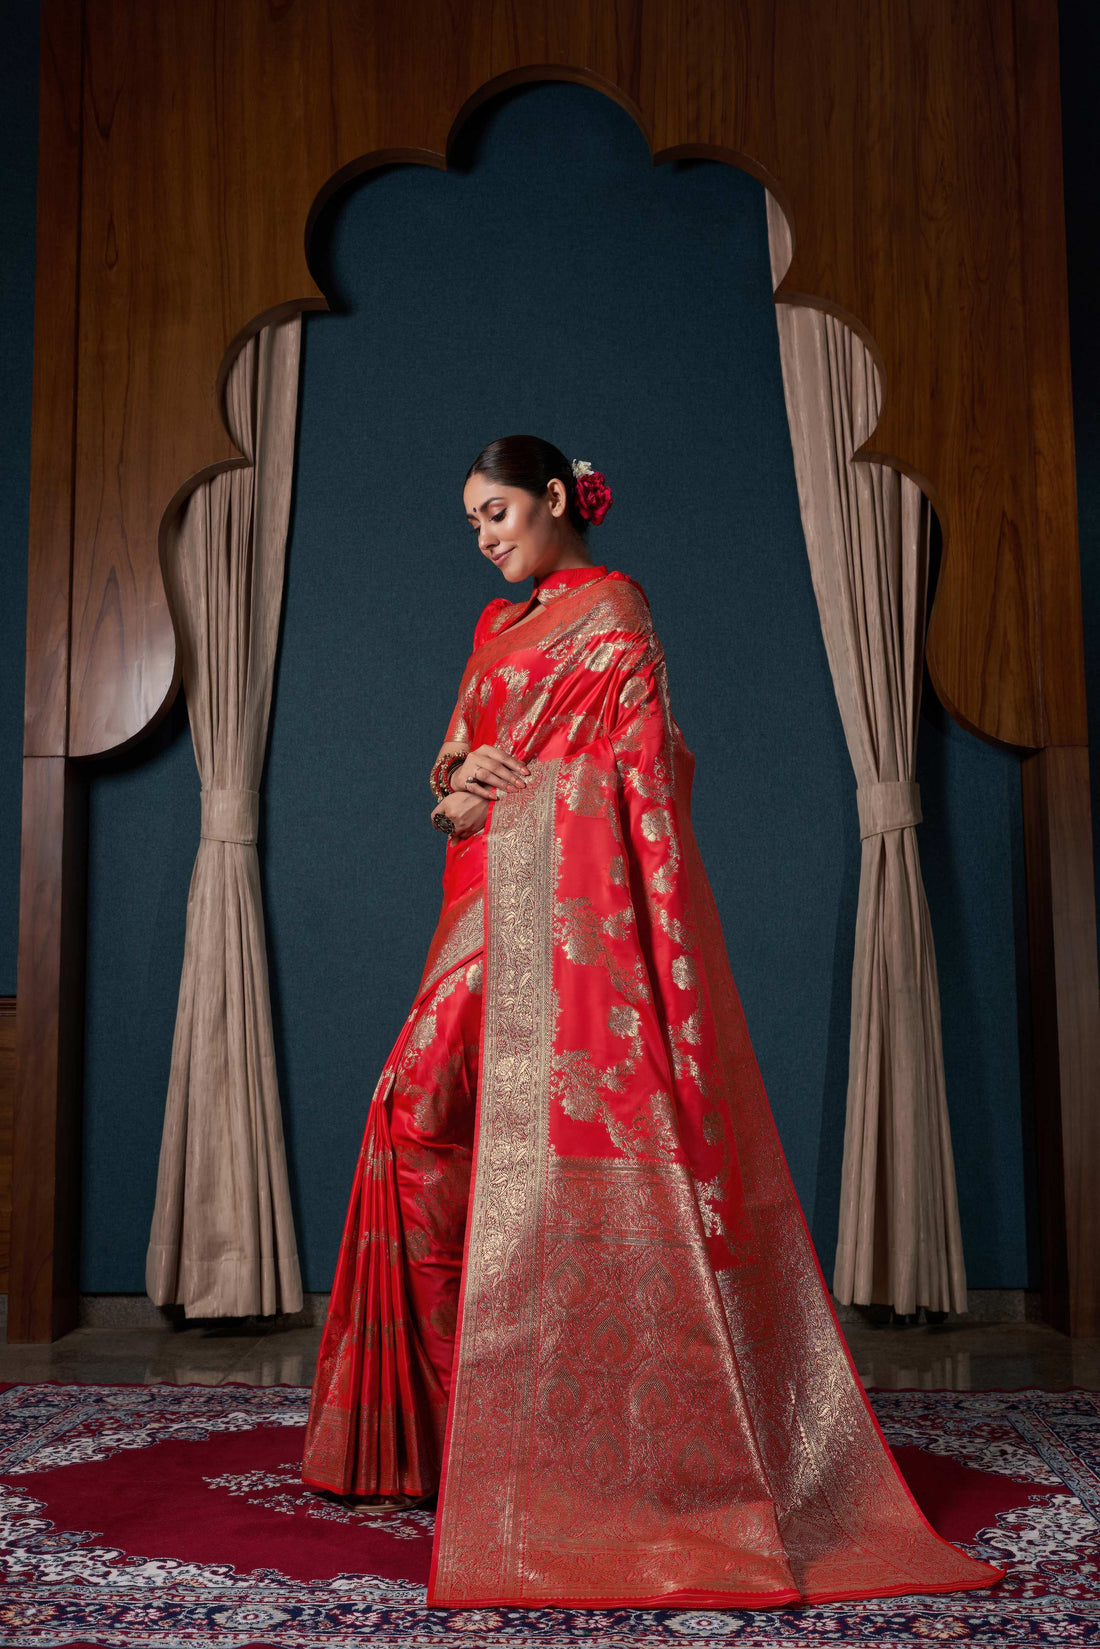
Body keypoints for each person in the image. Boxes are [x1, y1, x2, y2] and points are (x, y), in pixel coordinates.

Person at [301, 434, 1002, 1610]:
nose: (485, 535)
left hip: (563, 913)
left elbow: (644, 775)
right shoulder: (490, 628)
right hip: (478, 903)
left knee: (482, 1126)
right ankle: (446, 1432)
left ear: (559, 500)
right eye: (471, 520)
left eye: (497, 510)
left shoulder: (617, 616)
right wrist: (453, 791)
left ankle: (529, 1439)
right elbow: (450, 762)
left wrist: (529, 802)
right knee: (412, 1116)